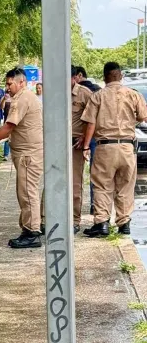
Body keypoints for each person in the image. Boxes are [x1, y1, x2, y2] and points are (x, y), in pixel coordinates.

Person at [0, 68, 43, 248]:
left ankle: (32, 232)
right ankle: (28, 229)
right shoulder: (23, 97)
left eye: (9, 84)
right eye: (6, 84)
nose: (7, 88)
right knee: (24, 192)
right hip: (25, 154)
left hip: (28, 154)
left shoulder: (23, 98)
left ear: (21, 82)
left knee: (28, 193)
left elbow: (8, 127)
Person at [81, 62, 147, 237]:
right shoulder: (134, 95)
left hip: (105, 147)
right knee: (126, 186)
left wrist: (86, 146)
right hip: (127, 147)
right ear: (120, 76)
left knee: (102, 185)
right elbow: (143, 116)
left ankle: (102, 223)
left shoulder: (98, 96)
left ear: (105, 77)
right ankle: (124, 223)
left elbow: (91, 123)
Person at [69, 66, 93, 234]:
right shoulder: (53, 93)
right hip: (55, 145)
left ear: (74, 78)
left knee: (75, 184)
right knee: (51, 180)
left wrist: (85, 139)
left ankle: (75, 220)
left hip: (75, 145)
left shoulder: (84, 94)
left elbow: (93, 118)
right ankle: (44, 220)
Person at [76, 66, 101, 214]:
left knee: (76, 174)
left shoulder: (79, 91)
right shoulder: (98, 90)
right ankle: (94, 205)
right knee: (96, 172)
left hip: (80, 135)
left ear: (79, 76)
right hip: (96, 135)